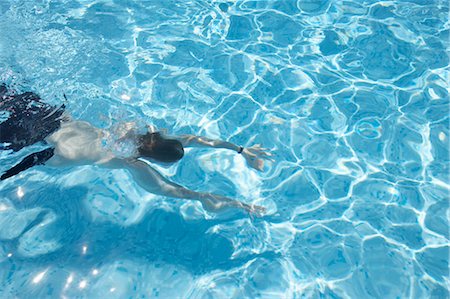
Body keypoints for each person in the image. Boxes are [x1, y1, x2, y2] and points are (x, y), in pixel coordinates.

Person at [0, 85, 272, 215]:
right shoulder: (132, 162)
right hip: (44, 147)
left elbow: (194, 140)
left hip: (56, 114)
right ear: (156, 160)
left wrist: (240, 149)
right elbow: (169, 189)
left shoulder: (134, 129)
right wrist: (222, 200)